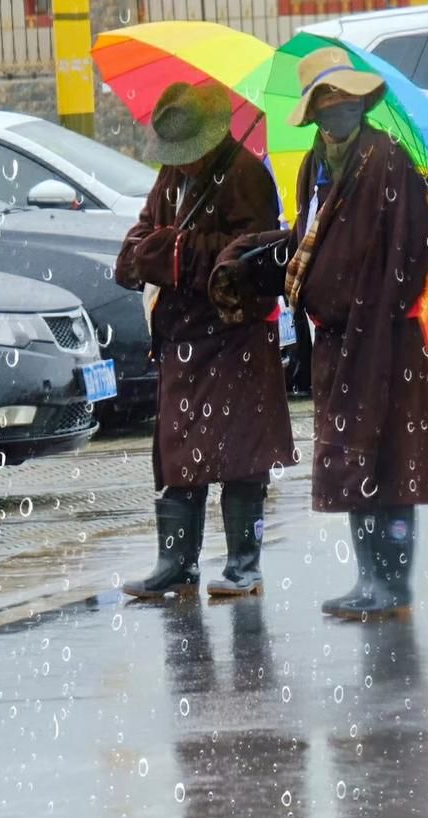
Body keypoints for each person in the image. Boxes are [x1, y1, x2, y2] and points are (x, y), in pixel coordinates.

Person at [209, 47, 428, 621]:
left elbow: (417, 248)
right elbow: (307, 236)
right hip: (336, 340)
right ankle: (368, 577)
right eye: (325, 102)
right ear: (314, 113)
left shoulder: (387, 160)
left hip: (384, 339)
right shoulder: (314, 164)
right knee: (353, 460)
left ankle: (392, 587)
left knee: (390, 462)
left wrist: (377, 303)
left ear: (359, 103)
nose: (335, 110)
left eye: (343, 100)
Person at [115, 81, 294, 599]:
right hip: (182, 339)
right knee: (178, 456)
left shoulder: (245, 176)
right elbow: (140, 237)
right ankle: (177, 562)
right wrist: (155, 253)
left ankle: (244, 565)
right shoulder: (171, 178)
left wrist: (179, 255)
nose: (183, 164)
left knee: (241, 459)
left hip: (234, 337)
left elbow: (252, 257)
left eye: (190, 154)